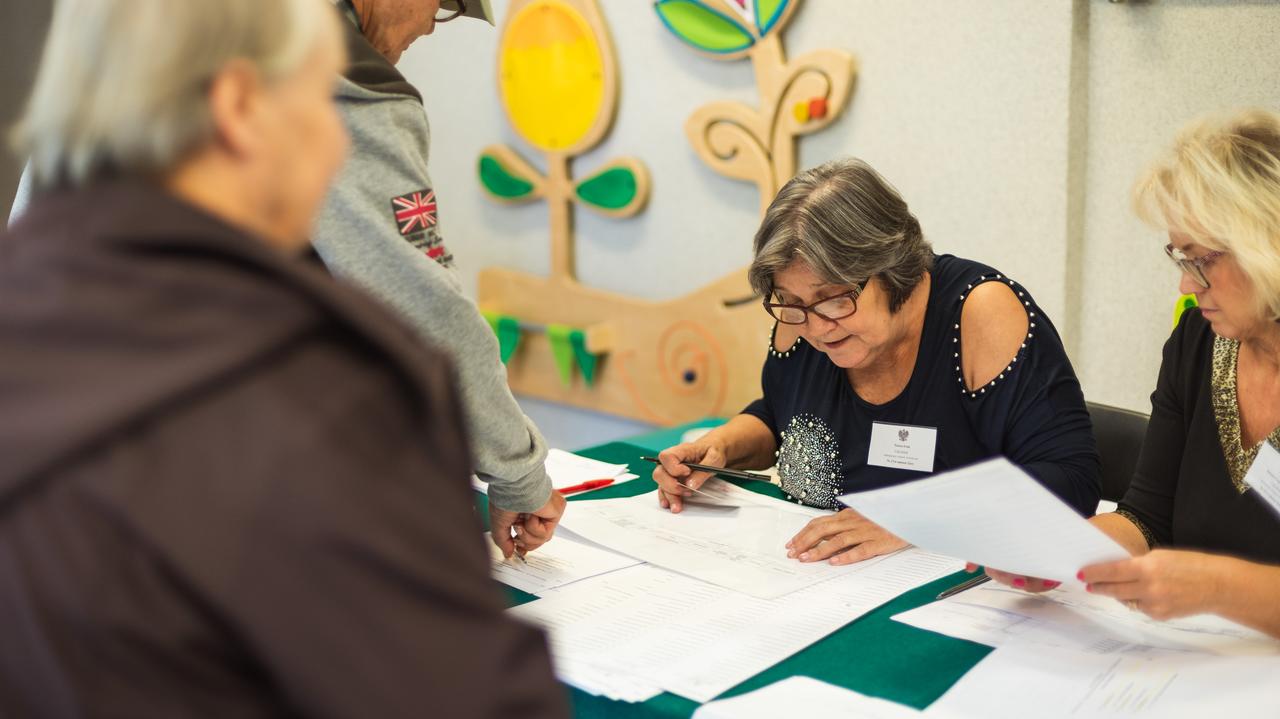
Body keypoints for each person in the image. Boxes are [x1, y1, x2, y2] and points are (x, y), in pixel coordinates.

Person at [0, 1, 567, 716]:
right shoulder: (305, 412)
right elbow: (471, 694)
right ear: (240, 109)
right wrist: (513, 467)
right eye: (317, 114)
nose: (337, 155)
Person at [652, 158, 1101, 566]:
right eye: (790, 302)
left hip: (951, 588)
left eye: (832, 299)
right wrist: (722, 448)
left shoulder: (980, 314)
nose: (816, 327)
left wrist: (913, 519)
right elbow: (782, 414)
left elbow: (1070, 481)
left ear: (893, 265)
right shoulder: (802, 317)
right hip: (810, 580)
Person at [983, 110, 1280, 639]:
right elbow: (1146, 517)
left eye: (1202, 260)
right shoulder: (1197, 343)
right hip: (1200, 658)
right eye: (1179, 259)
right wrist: (1058, 552)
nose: (1187, 286)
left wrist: (1219, 587)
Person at [311, 0, 566, 560]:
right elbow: (421, 307)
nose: (430, 26)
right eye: (441, 5)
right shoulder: (342, 79)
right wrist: (519, 473)